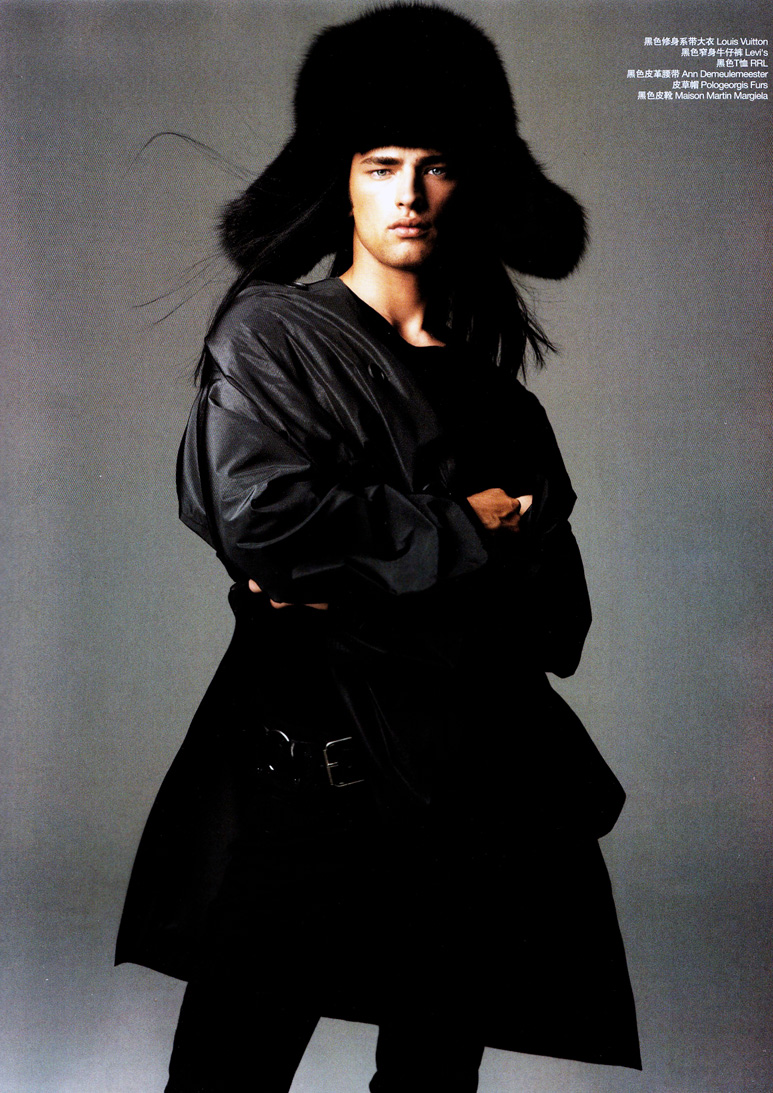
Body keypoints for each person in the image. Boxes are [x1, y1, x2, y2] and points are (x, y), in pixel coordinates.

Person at [116, 4, 641, 1090]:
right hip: (309, 789)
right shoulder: (275, 335)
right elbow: (267, 529)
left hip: (471, 803)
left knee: (431, 1083)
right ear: (343, 181)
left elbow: (555, 624)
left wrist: (359, 572)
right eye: (381, 164)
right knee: (222, 1077)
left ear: (470, 184)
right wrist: (463, 531)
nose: (409, 193)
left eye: (436, 166)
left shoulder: (503, 402)